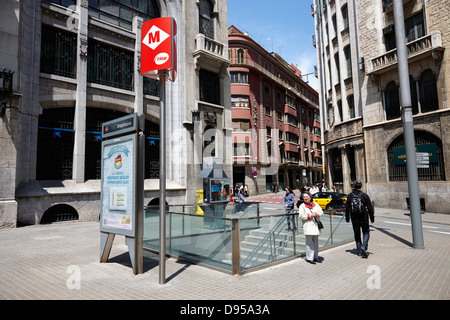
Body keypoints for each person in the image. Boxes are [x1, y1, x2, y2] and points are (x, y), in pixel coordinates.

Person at [345, 180, 375, 258]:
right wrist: (372, 218)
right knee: (366, 232)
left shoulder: (350, 196)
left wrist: (347, 218)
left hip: (354, 218)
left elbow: (347, 208)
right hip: (364, 217)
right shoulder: (364, 195)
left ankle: (359, 251)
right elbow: (370, 208)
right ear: (360, 186)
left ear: (354, 186)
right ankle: (364, 246)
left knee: (357, 234)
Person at [299, 191, 324, 264]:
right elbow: (301, 216)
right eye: (304, 197)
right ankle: (309, 258)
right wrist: (310, 216)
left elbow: (321, 212)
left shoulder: (315, 204)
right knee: (309, 242)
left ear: (310, 197)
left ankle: (315, 256)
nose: (305, 198)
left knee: (315, 242)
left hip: (315, 225)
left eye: (307, 196)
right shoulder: (302, 206)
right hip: (308, 225)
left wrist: (317, 214)